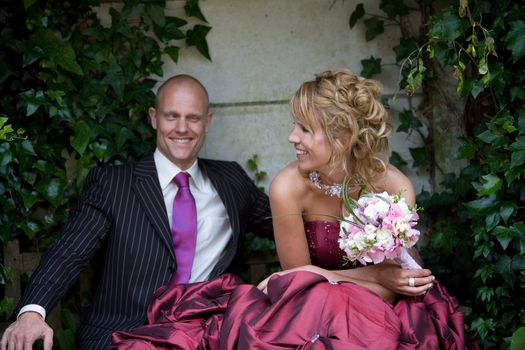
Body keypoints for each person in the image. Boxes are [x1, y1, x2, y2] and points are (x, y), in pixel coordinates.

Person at [110, 69, 477, 349]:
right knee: (323, 299)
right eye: (294, 126)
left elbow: (400, 282)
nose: (291, 138)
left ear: (342, 138)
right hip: (309, 309)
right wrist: (372, 276)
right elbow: (297, 280)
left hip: (384, 308)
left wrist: (383, 279)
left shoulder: (394, 187)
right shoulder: (287, 187)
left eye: (304, 129)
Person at [0, 74, 273, 350]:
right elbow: (71, 249)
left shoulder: (231, 180)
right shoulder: (114, 183)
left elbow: (284, 222)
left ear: (207, 122)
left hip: (207, 335)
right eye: (171, 116)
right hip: (127, 335)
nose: (182, 128)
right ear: (154, 118)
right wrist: (33, 310)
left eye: (192, 118)